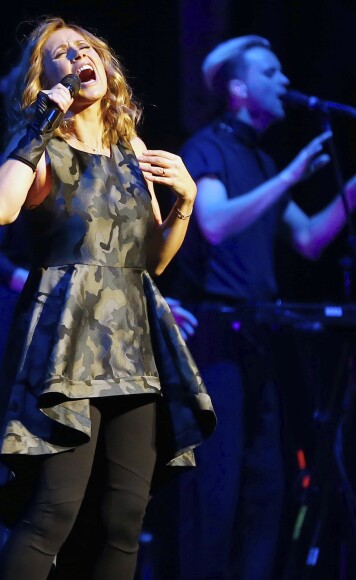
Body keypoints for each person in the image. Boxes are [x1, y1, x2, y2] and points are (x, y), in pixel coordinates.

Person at [0, 16, 217, 580]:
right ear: (45, 78)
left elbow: (151, 262)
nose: (79, 56)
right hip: (67, 343)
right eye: (61, 54)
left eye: (86, 49)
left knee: (123, 518)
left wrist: (184, 202)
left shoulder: (132, 151)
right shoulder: (42, 148)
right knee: (55, 509)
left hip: (132, 341)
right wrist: (41, 121)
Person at [156, 35, 356, 580]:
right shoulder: (207, 148)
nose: (285, 83)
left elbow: (311, 239)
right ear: (240, 89)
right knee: (216, 484)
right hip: (214, 335)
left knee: (267, 481)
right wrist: (291, 176)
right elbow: (216, 223)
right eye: (271, 73)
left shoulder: (263, 156)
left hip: (261, 336)